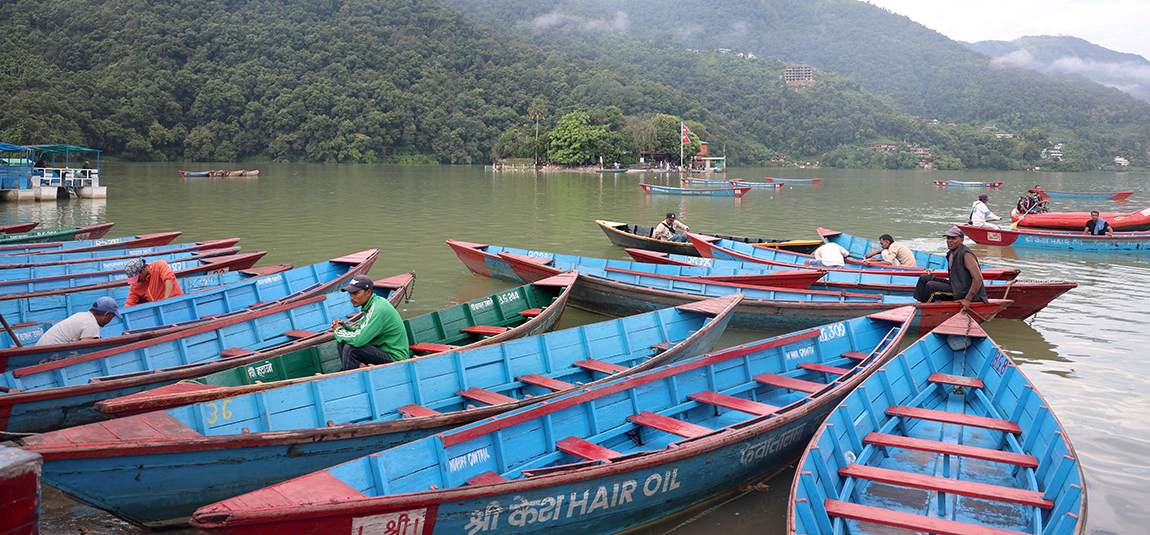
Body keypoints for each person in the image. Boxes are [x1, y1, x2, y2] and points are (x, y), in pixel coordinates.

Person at [333, 274, 410, 370]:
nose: (351, 298)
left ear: (368, 292)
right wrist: (346, 328)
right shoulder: (371, 304)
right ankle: (348, 373)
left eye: (356, 293)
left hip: (396, 358)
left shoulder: (377, 309)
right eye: (350, 294)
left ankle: (351, 381)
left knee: (351, 349)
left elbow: (358, 340)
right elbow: (361, 330)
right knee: (342, 341)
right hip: (382, 349)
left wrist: (338, 330)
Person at [913, 226, 988, 314]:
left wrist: (967, 299)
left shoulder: (966, 255)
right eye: (948, 238)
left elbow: (978, 279)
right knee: (924, 278)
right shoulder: (951, 253)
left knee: (931, 286)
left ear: (961, 241)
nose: (949, 241)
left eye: (953, 238)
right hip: (954, 285)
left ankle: (923, 311)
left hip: (963, 291)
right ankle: (919, 302)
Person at [35, 297, 121, 346]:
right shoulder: (91, 324)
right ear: (106, 314)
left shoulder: (81, 315)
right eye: (112, 317)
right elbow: (85, 350)